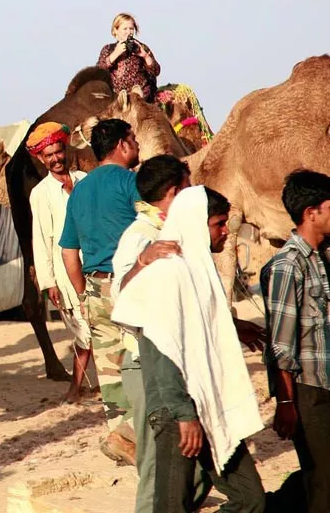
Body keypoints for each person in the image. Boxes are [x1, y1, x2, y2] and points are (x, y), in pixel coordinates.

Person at [112, 186, 266, 512]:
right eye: (219, 224)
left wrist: (234, 328)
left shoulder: (196, 267)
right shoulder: (168, 272)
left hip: (207, 402)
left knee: (251, 500)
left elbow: (197, 328)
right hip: (176, 411)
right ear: (198, 222)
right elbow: (163, 348)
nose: (225, 232)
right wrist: (184, 415)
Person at [111, 155, 192, 513]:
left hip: (176, 362)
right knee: (156, 467)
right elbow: (121, 296)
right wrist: (143, 261)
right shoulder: (140, 236)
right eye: (187, 186)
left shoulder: (174, 231)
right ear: (173, 192)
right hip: (148, 362)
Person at [59, 118, 140, 465]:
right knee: (143, 364)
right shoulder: (130, 183)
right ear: (122, 144)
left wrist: (83, 292)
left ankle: (122, 435)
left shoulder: (79, 191)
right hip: (132, 285)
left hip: (95, 288)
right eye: (133, 139)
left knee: (110, 373)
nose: (136, 145)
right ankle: (137, 440)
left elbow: (68, 251)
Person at [262, 169, 330, 512]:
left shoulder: (320, 259)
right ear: (311, 212)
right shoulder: (288, 265)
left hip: (325, 384)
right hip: (308, 390)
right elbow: (280, 342)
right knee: (323, 483)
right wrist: (286, 403)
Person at [26, 122, 93, 403]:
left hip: (92, 265)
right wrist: (48, 281)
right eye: (49, 155)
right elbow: (40, 239)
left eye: (58, 152)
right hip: (63, 273)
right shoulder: (40, 194)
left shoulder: (84, 180)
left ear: (65, 150)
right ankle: (75, 388)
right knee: (84, 332)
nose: (55, 158)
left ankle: (80, 387)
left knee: (95, 327)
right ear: (42, 159)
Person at [96, 13, 161, 102]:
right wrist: (115, 53)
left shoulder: (140, 47)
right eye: (125, 29)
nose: (129, 32)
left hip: (140, 97)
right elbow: (98, 72)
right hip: (116, 98)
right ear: (116, 30)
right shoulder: (108, 49)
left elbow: (156, 71)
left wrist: (145, 56)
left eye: (131, 28)